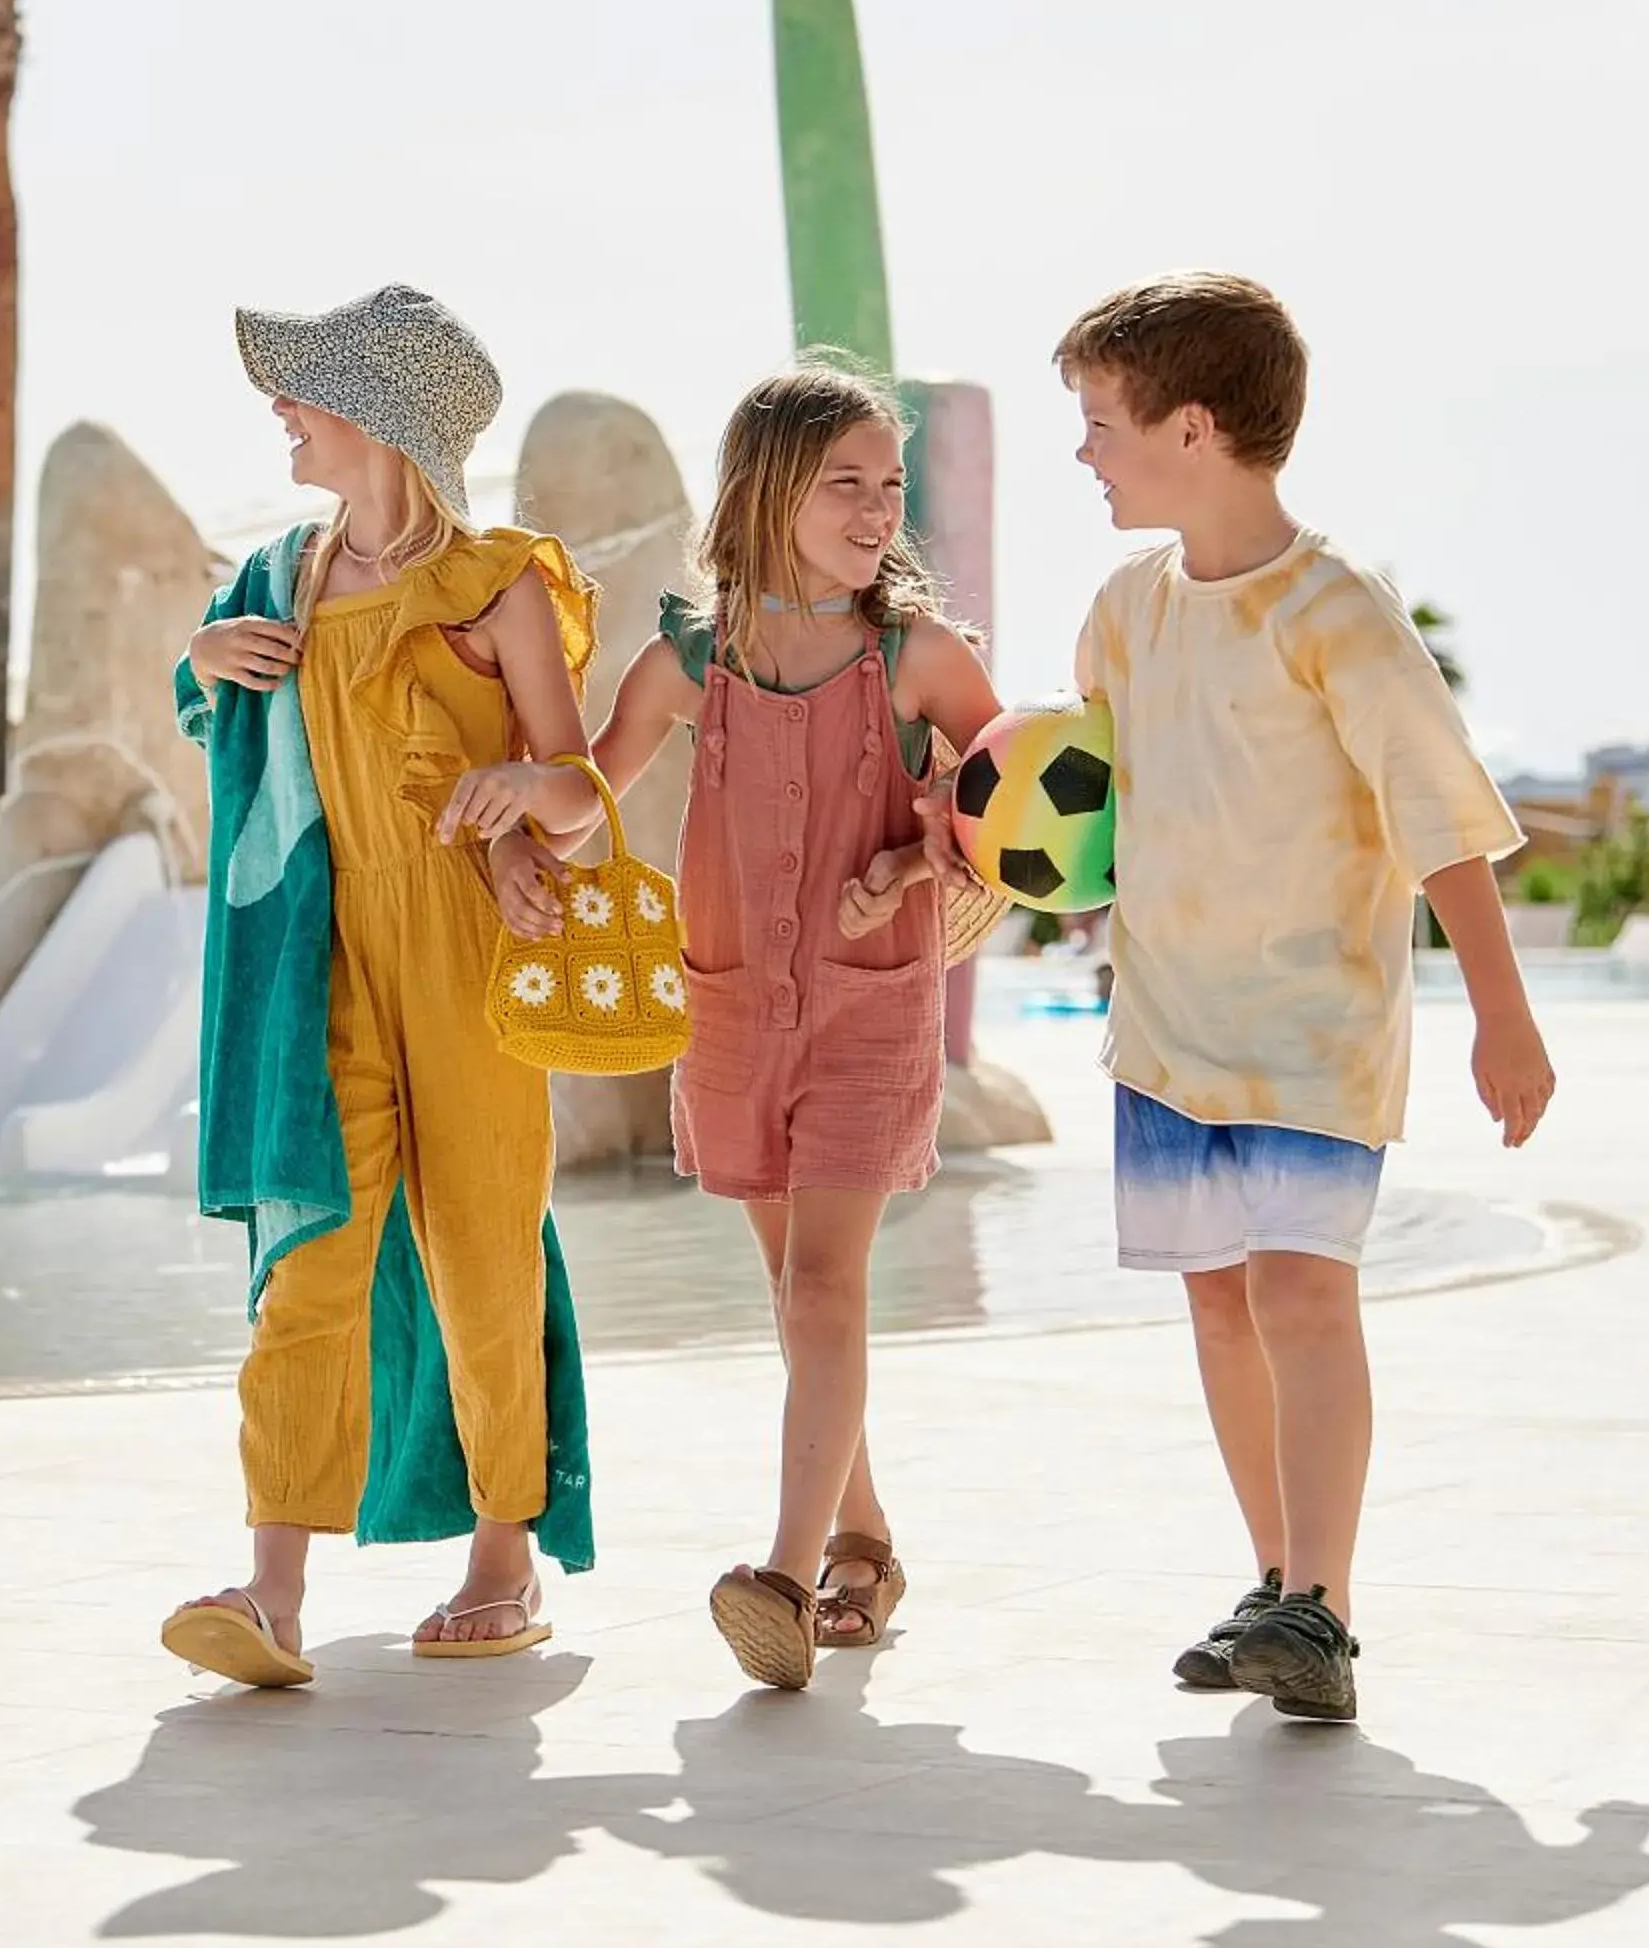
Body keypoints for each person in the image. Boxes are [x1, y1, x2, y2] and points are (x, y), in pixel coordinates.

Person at [1049, 272, 1553, 1721]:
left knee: (1298, 1295)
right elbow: (1080, 804)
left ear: (1191, 429)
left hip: (1313, 1031)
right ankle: (1273, 1583)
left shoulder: (1336, 609)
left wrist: (1503, 1017)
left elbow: (1439, 815)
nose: (1086, 452)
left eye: (1101, 424)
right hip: (1165, 1030)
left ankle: (1322, 1606)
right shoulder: (1124, 610)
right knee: (1217, 1305)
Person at [475, 357, 1001, 1691]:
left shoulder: (917, 660)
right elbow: (592, 789)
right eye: (847, 484)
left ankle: (779, 1568)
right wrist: (516, 816)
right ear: (768, 491)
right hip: (732, 1010)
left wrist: (925, 856)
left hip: (867, 1014)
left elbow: (1028, 814)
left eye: (890, 485)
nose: (880, 507)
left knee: (824, 1285)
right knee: (793, 1294)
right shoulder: (689, 658)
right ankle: (866, 1540)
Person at [162, 284, 602, 1689]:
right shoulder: (271, 582)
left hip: (471, 948)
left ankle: (505, 1561)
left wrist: (518, 792)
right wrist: (201, 661)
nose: (278, 412)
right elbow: (220, 726)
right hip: (314, 957)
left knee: (482, 1251)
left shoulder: (499, 585)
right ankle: (272, 1588)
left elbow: (580, 790)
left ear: (382, 420)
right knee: (308, 1258)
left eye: (302, 390)